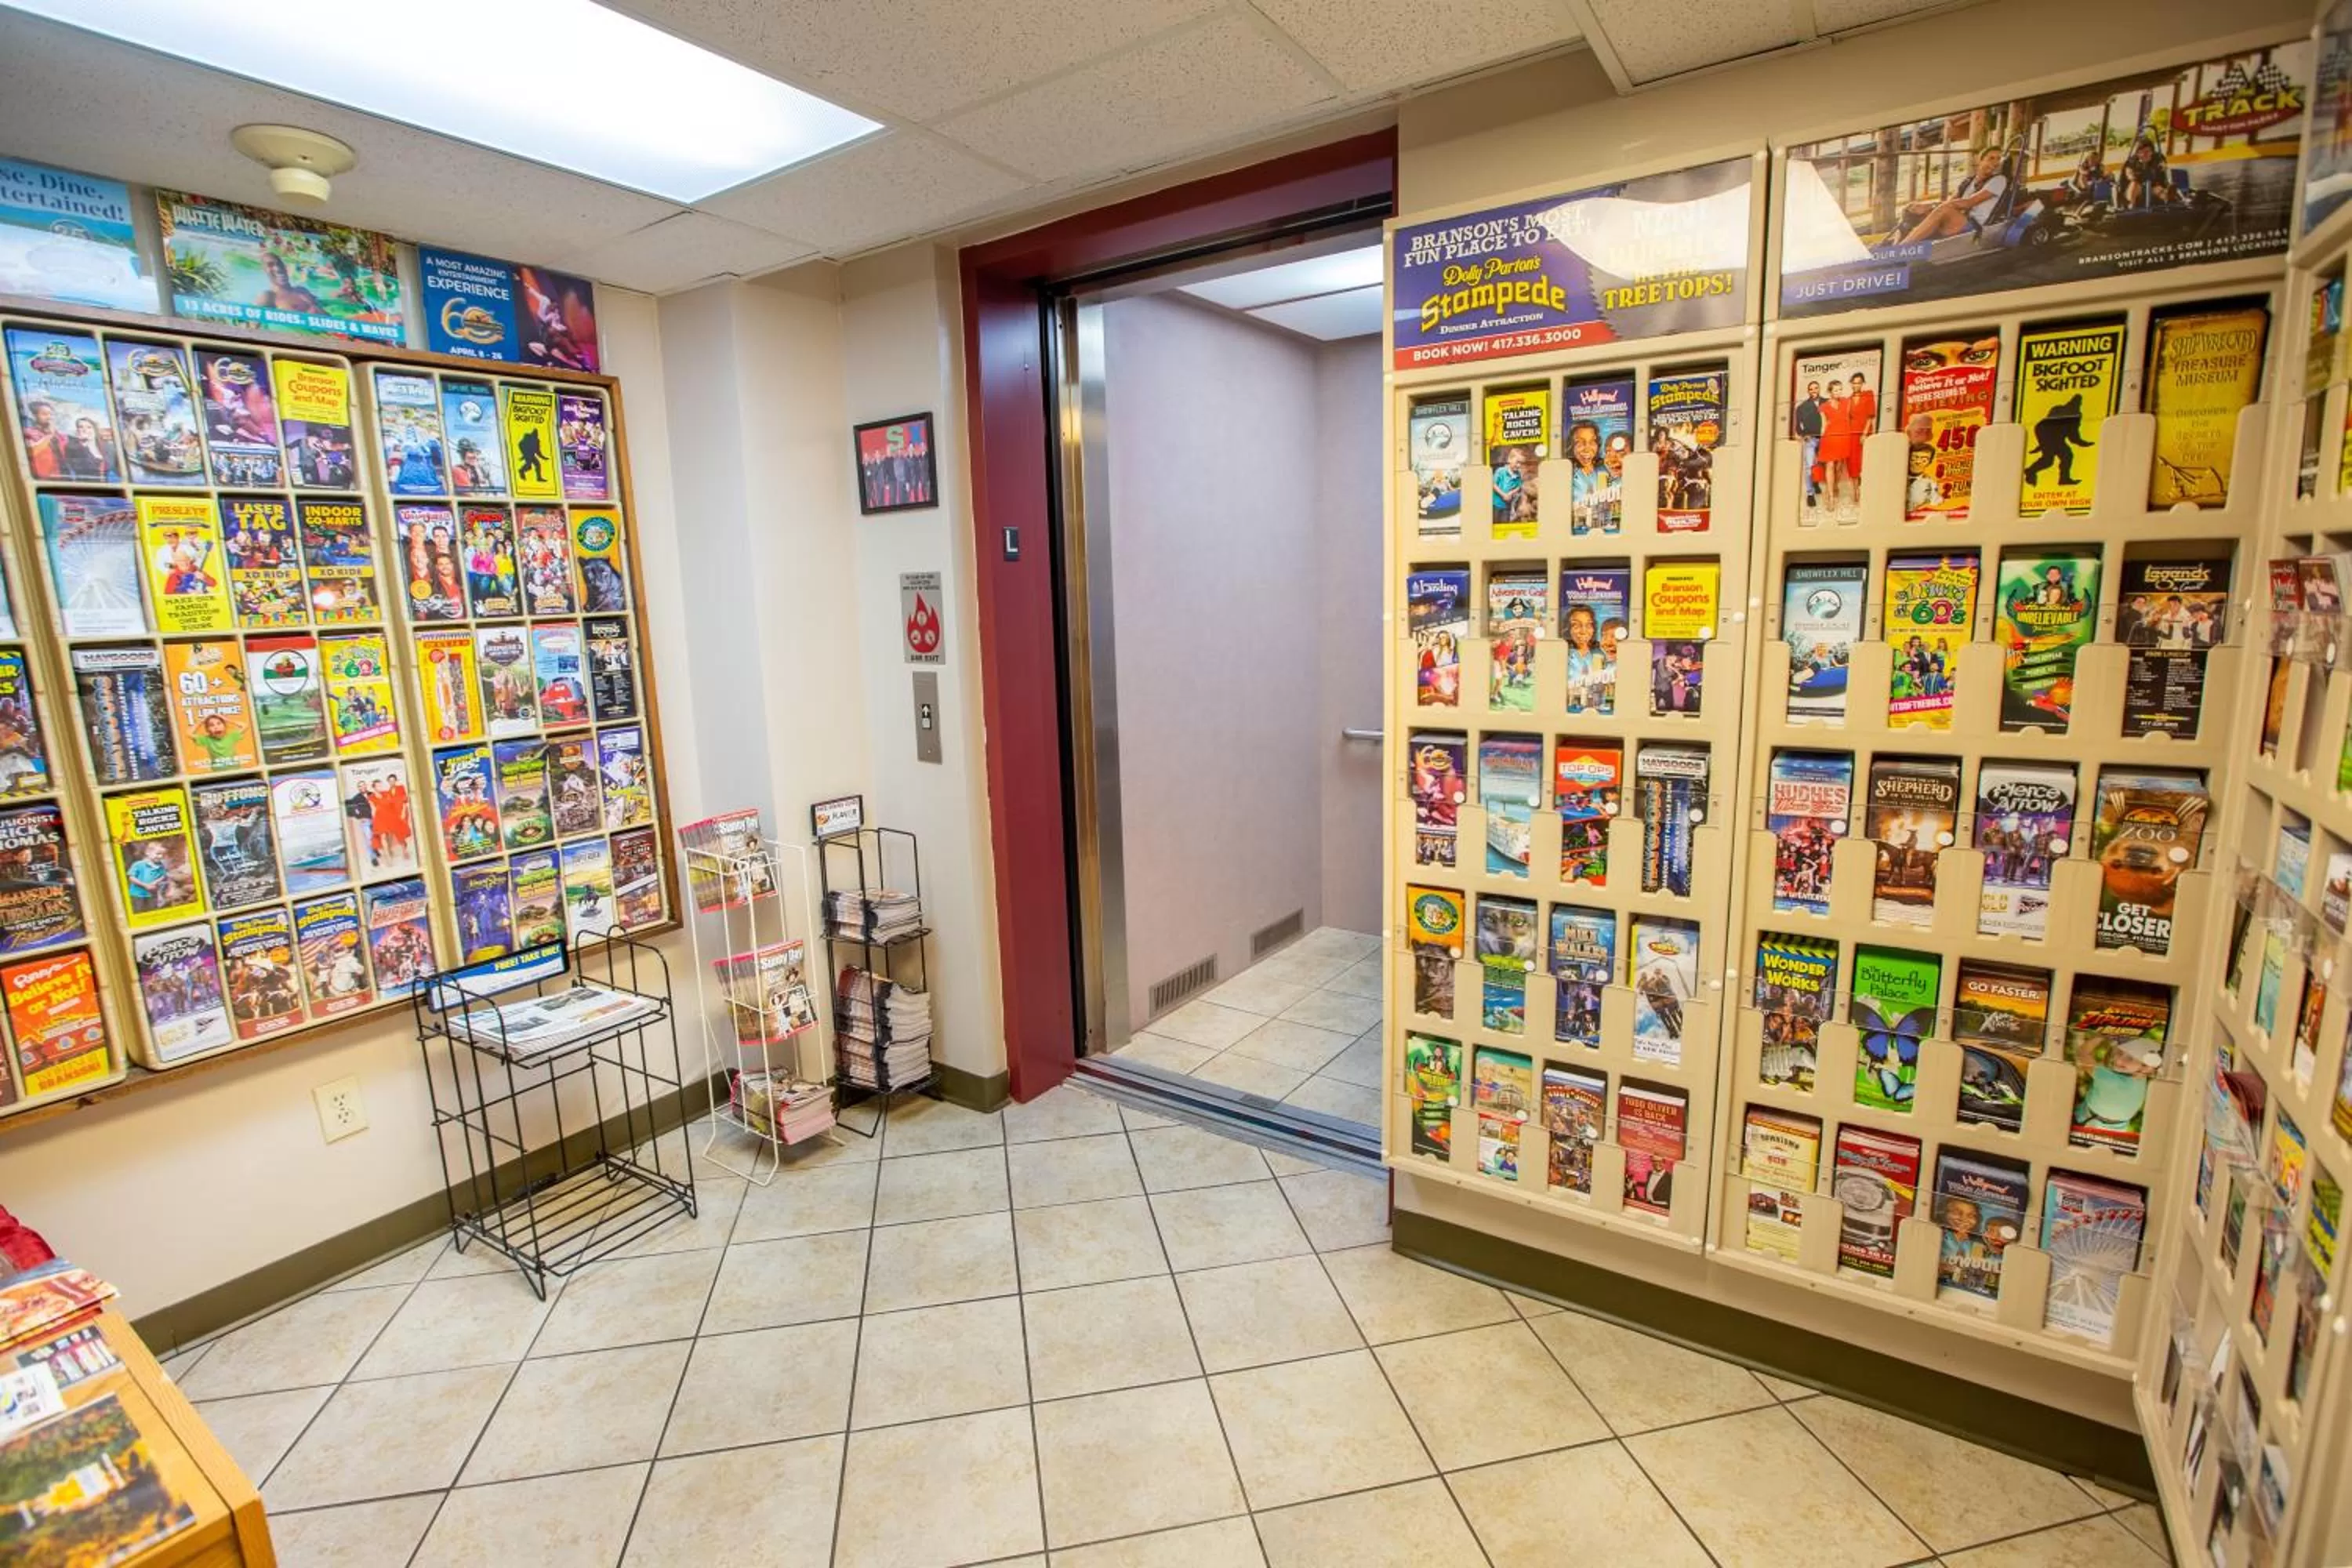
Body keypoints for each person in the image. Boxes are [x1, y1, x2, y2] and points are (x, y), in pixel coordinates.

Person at [1898, 145, 2009, 245]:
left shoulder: (1999, 180)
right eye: (1991, 158)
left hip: (1973, 226)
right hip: (1957, 220)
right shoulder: (1968, 182)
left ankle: (1903, 248)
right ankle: (1893, 247)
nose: (1995, 163)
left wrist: (1932, 205)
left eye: (1999, 159)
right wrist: (1923, 207)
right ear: (1980, 161)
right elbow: (1950, 201)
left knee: (1944, 209)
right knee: (1910, 208)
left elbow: (1968, 203)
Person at [1791, 380, 1824, 507]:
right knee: (1809, 467)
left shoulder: (1827, 403)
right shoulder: (1802, 407)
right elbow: (1798, 427)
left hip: (1826, 439)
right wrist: (1804, 435)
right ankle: (1810, 494)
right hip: (1811, 440)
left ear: (1819, 389)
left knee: (1821, 464)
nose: (1814, 391)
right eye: (1811, 389)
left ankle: (1816, 482)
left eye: (1816, 388)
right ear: (1808, 391)